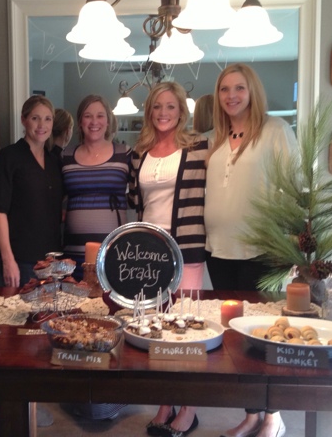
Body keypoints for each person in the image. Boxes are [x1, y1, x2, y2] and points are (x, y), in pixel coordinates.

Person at [204, 63, 296, 437]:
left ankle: (273, 415)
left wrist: (291, 242)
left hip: (261, 249)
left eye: (239, 88)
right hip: (219, 250)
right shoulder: (216, 138)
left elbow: (295, 185)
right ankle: (251, 413)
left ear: (253, 91)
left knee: (265, 334)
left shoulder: (276, 130)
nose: (231, 96)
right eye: (225, 89)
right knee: (237, 337)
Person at [129, 81, 208, 437]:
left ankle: (189, 408)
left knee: (186, 327)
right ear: (149, 111)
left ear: (181, 111)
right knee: (156, 330)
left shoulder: (199, 148)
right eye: (157, 107)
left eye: (170, 107)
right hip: (149, 252)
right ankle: (165, 403)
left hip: (187, 246)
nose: (163, 113)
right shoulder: (139, 152)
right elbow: (136, 202)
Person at [0, 94, 63, 287]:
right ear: (24, 120)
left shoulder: (54, 160)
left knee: (52, 306)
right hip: (22, 259)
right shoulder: (9, 157)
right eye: (35, 118)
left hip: (53, 259)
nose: (42, 125)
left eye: (47, 119)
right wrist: (8, 260)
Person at [62, 95, 132, 281]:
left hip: (113, 248)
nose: (94, 122)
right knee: (74, 297)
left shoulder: (124, 153)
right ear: (80, 122)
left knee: (110, 297)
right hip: (74, 250)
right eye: (88, 116)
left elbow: (138, 195)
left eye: (100, 116)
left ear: (108, 121)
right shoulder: (66, 156)